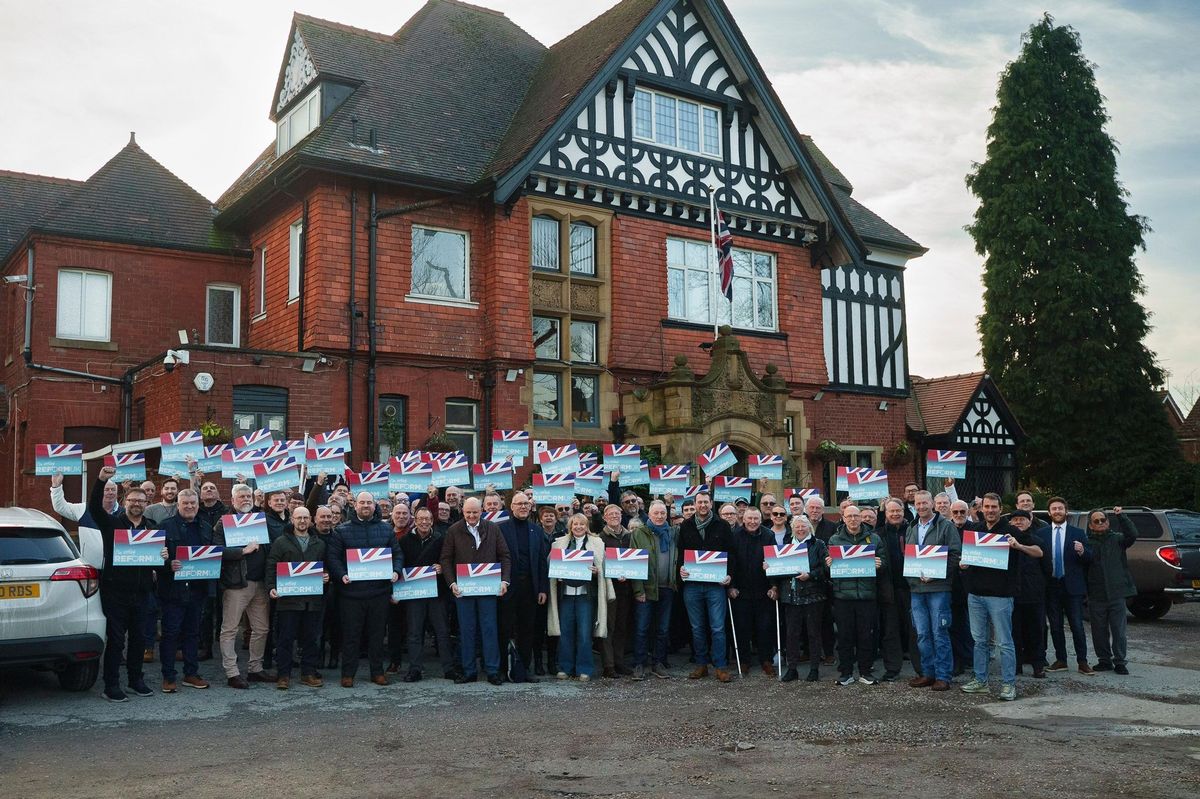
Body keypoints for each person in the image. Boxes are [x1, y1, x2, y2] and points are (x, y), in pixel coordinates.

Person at [960, 494, 1043, 701]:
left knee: (1004, 642)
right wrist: (964, 563)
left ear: (999, 508)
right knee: (979, 641)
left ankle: (1008, 684)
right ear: (982, 509)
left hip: (1001, 596)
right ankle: (981, 681)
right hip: (976, 594)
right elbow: (967, 558)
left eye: (994, 507)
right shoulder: (975, 530)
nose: (990, 510)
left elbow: (1039, 552)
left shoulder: (1011, 530)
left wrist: (1018, 546)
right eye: (986, 506)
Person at [89, 467, 157, 701]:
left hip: (142, 593)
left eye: (141, 500)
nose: (137, 503)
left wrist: (164, 556)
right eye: (132, 500)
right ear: (124, 501)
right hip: (115, 592)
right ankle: (111, 686)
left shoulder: (152, 529)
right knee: (116, 642)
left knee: (138, 640)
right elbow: (94, 509)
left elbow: (157, 561)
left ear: (147, 503)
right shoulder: (112, 524)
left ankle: (136, 680)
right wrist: (101, 481)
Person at [326, 492, 404, 688]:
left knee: (377, 635)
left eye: (369, 502)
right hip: (351, 594)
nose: (366, 506)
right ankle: (348, 674)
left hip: (379, 593)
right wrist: (341, 574)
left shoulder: (386, 530)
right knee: (351, 636)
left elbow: (397, 554)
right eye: (362, 502)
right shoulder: (342, 531)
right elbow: (333, 557)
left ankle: (377, 672)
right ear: (356, 505)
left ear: (374, 505)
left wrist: (396, 570)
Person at [440, 497, 511, 685]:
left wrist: (504, 580)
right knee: (467, 630)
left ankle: (493, 671)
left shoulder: (493, 528)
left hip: (488, 588)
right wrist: (451, 583)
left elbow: (504, 555)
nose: (471, 515)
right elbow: (446, 559)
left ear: (481, 511)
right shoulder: (454, 530)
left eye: (475, 512)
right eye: (468, 512)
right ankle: (469, 670)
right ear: (463, 512)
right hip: (464, 590)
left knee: (489, 629)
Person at [211, 484, 274, 689]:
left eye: (249, 495)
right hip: (237, 583)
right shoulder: (223, 522)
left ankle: (255, 668)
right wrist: (242, 551)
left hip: (260, 583)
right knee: (229, 629)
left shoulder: (260, 519)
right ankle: (232, 672)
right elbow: (216, 550)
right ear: (233, 499)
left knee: (262, 628)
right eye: (241, 496)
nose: (246, 499)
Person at [676, 491, 736, 683]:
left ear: (711, 504)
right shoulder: (685, 526)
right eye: (699, 502)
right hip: (692, 585)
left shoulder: (722, 525)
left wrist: (729, 576)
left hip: (716, 585)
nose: (702, 505)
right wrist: (681, 570)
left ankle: (720, 666)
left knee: (718, 627)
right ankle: (701, 664)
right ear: (695, 504)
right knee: (697, 627)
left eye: (706, 502)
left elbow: (732, 554)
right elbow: (681, 554)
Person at [265, 506, 327, 689]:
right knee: (285, 639)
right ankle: (283, 675)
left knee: (310, 639)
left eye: (305, 518)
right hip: (288, 600)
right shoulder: (281, 542)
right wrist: (271, 587)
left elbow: (325, 567)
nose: (302, 521)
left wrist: (326, 575)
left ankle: (308, 673)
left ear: (311, 520)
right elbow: (271, 566)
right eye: (299, 517)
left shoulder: (320, 543)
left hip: (312, 601)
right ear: (292, 519)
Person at [156, 489, 212, 692]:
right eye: (185, 503)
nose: (189, 507)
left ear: (198, 505)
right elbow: (154, 559)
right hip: (173, 590)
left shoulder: (205, 527)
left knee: (192, 633)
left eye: (193, 503)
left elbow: (212, 554)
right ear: (178, 505)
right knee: (170, 634)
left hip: (197, 590)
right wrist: (167, 564)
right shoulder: (164, 527)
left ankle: (191, 673)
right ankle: (168, 676)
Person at [905, 492, 961, 692]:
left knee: (940, 633)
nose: (921, 506)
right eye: (918, 503)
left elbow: (955, 555)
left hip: (938, 588)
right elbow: (909, 557)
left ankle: (943, 676)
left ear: (933, 504)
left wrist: (936, 575)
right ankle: (927, 673)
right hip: (917, 590)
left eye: (925, 503)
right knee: (922, 634)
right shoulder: (911, 527)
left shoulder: (946, 526)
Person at [826, 505, 888, 685]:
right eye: (849, 516)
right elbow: (827, 568)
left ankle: (865, 672)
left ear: (861, 518)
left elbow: (884, 563)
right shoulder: (835, 539)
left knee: (866, 636)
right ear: (843, 518)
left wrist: (880, 563)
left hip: (866, 596)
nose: (853, 519)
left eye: (856, 516)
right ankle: (845, 673)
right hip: (842, 597)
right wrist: (827, 564)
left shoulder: (874, 538)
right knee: (845, 636)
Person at [398, 507, 461, 682]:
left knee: (442, 631)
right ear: (415, 520)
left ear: (432, 521)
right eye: (421, 519)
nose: (424, 522)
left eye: (427, 519)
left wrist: (442, 567)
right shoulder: (404, 541)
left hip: (437, 593)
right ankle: (415, 669)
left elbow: (450, 559)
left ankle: (448, 668)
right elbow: (399, 564)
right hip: (413, 593)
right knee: (414, 632)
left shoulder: (441, 539)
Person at [547, 513, 610, 681]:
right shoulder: (560, 543)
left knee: (584, 633)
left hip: (585, 595)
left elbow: (604, 567)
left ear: (586, 526)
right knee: (565, 632)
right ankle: (565, 667)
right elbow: (550, 564)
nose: (578, 527)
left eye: (582, 524)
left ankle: (585, 668)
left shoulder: (597, 543)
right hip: (566, 594)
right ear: (570, 526)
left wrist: (598, 572)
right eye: (575, 524)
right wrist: (556, 571)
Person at [497, 492, 550, 683]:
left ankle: (524, 669)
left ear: (530, 507)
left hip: (530, 587)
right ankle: (503, 669)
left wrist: (543, 588)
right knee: (504, 629)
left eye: (526, 504)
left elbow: (542, 562)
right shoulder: (501, 529)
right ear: (511, 507)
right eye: (519, 504)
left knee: (527, 630)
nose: (523, 507)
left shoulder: (536, 530)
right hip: (507, 587)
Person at [769, 514, 829, 682]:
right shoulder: (786, 546)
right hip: (791, 596)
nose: (801, 529)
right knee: (792, 634)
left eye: (804, 526)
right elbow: (778, 571)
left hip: (813, 596)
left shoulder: (818, 545)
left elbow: (826, 569)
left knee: (813, 633)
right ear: (792, 529)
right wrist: (770, 567)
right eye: (797, 526)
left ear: (809, 528)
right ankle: (792, 668)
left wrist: (810, 575)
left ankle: (814, 668)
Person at [1044, 496, 1093, 675]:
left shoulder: (1078, 533)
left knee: (1077, 626)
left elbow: (1090, 558)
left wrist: (1082, 551)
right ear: (1049, 512)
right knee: (1055, 626)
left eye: (1060, 508)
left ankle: (1083, 662)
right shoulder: (1042, 533)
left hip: (1072, 587)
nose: (1057, 511)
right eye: (1054, 509)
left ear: (1066, 511)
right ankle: (1061, 660)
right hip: (1051, 586)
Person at [1085, 507, 1137, 674]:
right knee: (1098, 631)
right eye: (1096, 521)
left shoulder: (1118, 539)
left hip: (1117, 593)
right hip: (1096, 594)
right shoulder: (1086, 543)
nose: (1100, 523)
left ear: (1107, 522)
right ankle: (1104, 660)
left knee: (1119, 631)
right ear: (1091, 525)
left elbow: (1132, 535)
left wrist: (1121, 516)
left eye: (1103, 520)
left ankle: (1120, 661)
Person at [629, 500, 677, 680]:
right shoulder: (639, 533)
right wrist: (638, 590)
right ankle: (639, 664)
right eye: (656, 513)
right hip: (646, 589)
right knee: (642, 628)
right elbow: (634, 562)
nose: (659, 516)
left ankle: (658, 662)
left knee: (663, 629)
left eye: (662, 513)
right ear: (648, 514)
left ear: (667, 514)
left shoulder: (672, 533)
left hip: (667, 588)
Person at [728, 507, 776, 676]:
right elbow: (730, 562)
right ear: (743, 518)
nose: (753, 522)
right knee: (742, 627)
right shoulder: (735, 536)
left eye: (756, 518)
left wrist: (773, 586)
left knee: (765, 627)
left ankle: (766, 660)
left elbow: (775, 561)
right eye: (750, 518)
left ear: (761, 519)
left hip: (763, 590)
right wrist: (731, 586)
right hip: (741, 591)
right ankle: (744, 661)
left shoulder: (769, 535)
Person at [876, 497, 914, 682]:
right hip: (888, 589)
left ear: (903, 512)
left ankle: (922, 669)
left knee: (915, 631)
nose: (895, 514)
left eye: (898, 511)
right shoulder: (878, 534)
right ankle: (892, 669)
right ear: (886, 514)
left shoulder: (914, 531)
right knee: (890, 631)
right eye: (891, 511)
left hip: (912, 588)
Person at [1010, 510, 1049, 679]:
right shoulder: (1004, 540)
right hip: (1011, 594)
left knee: (1036, 632)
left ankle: (1038, 665)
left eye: (1022, 519)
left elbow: (1045, 563)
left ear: (1030, 521)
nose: (1019, 522)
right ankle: (1016, 665)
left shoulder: (1037, 539)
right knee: (1014, 632)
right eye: (1015, 519)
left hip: (1034, 594)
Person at [597, 503, 634, 678]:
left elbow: (636, 560)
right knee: (608, 626)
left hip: (626, 588)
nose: (614, 516)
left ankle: (619, 662)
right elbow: (597, 563)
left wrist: (630, 573)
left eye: (617, 514)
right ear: (604, 517)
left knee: (622, 627)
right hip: (608, 589)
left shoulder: (630, 537)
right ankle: (608, 665)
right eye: (610, 514)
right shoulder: (599, 539)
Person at [947, 499, 975, 675]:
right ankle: (959, 660)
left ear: (968, 513)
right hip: (953, 584)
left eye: (962, 512)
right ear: (951, 513)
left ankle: (972, 658)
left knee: (975, 625)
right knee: (956, 624)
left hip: (974, 584)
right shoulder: (945, 528)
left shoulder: (976, 529)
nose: (958, 515)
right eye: (955, 512)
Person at [386, 503, 414, 674]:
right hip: (391, 587)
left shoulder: (414, 534)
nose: (402, 516)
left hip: (413, 585)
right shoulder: (385, 534)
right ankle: (394, 661)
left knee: (413, 627)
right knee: (394, 627)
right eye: (398, 513)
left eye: (405, 513)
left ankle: (414, 663)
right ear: (392, 515)